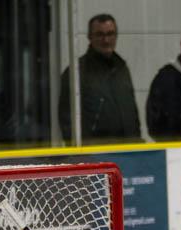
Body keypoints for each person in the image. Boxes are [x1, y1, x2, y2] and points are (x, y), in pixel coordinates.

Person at [58, 14, 141, 145]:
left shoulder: (122, 68)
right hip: (94, 151)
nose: (106, 40)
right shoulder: (76, 72)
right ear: (90, 37)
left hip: (128, 148)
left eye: (110, 34)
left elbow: (132, 112)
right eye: (100, 35)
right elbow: (66, 119)